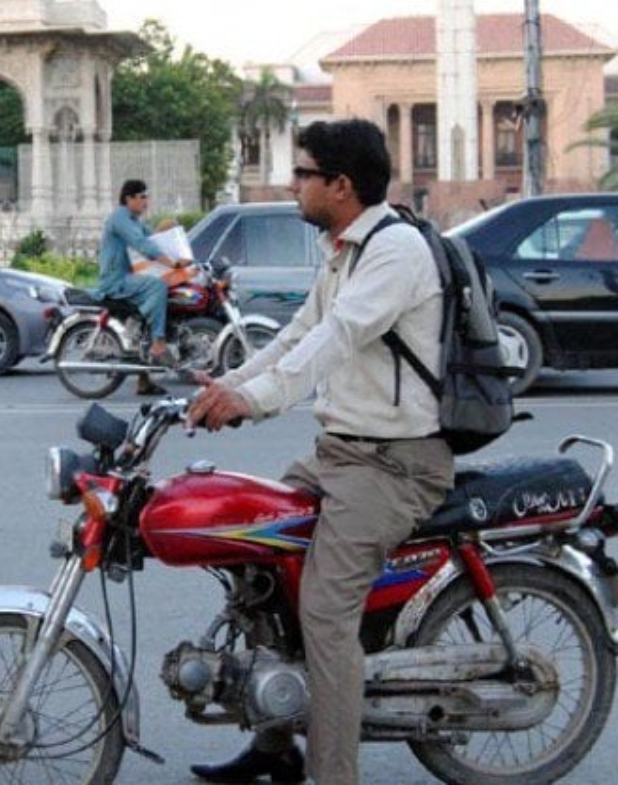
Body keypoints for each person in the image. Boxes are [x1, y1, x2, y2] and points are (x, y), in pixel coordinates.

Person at [186, 119, 453, 785]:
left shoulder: (394, 252)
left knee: (325, 612)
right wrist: (230, 384)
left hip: (395, 465)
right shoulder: (345, 251)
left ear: (340, 184)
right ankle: (275, 746)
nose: (292, 184)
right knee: (256, 569)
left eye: (303, 174)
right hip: (339, 455)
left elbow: (336, 338)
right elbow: (295, 337)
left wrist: (257, 402)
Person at [97, 179, 187, 396]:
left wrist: (171, 231)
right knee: (158, 286)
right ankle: (158, 344)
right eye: (142, 196)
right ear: (129, 199)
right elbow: (143, 245)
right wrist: (172, 263)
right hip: (116, 279)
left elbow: (152, 238)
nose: (147, 201)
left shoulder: (134, 220)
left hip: (129, 277)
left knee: (164, 297)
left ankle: (143, 381)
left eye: (147, 196)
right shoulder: (120, 218)